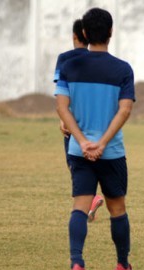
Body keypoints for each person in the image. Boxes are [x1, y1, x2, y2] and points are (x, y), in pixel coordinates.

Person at [55, 8, 136, 270]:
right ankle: (123, 265)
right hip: (111, 152)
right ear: (111, 32)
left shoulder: (68, 67)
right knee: (117, 209)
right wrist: (101, 143)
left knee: (80, 205)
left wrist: (83, 141)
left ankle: (77, 262)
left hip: (79, 151)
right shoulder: (123, 69)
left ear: (85, 33)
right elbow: (124, 110)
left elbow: (62, 108)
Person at [53, 19, 104, 222]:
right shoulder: (98, 59)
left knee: (74, 162)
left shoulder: (65, 59)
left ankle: (89, 200)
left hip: (72, 118)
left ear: (74, 36)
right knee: (93, 160)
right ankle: (91, 200)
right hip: (94, 119)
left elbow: (61, 91)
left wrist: (63, 118)